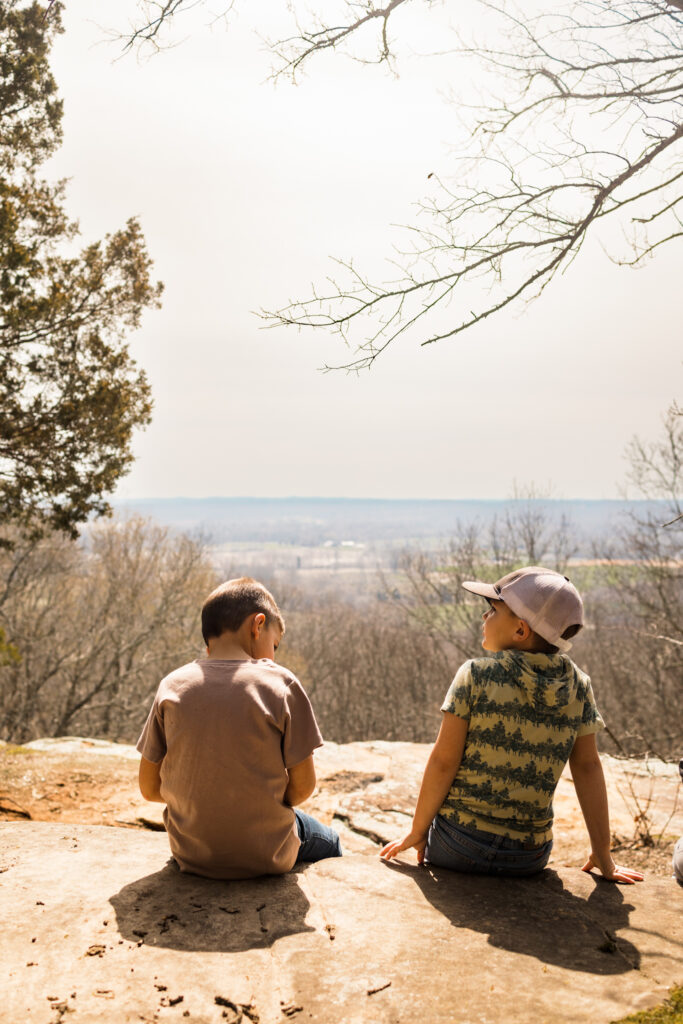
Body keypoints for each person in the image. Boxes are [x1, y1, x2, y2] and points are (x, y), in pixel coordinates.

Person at [380, 566, 643, 884]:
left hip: (457, 845)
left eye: (492, 610)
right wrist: (603, 851)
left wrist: (418, 831)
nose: (483, 617)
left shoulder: (475, 675)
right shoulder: (578, 684)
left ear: (520, 631)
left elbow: (443, 761)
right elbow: (588, 767)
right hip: (527, 856)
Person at [137, 576, 341, 879]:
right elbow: (303, 787)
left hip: (190, 854)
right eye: (274, 644)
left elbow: (149, 788)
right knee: (331, 840)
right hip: (267, 855)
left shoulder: (173, 686)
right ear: (257, 625)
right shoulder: (280, 685)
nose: (273, 655)